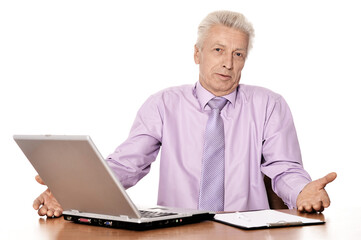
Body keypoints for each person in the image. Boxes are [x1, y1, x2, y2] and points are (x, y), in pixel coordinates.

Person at [33, 10, 337, 218]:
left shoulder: (270, 104)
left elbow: (284, 167)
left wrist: (301, 193)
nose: (228, 64)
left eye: (238, 54)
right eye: (218, 50)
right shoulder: (163, 104)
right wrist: (72, 188)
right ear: (197, 54)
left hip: (248, 231)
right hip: (177, 231)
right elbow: (127, 165)